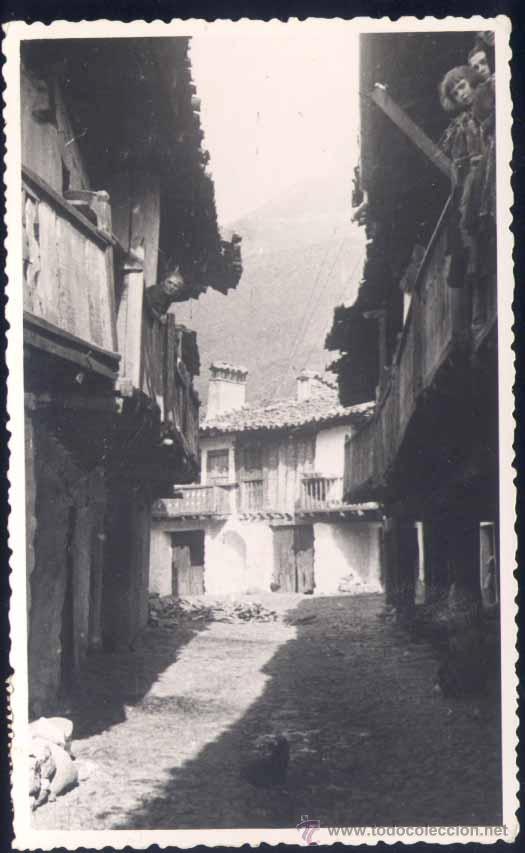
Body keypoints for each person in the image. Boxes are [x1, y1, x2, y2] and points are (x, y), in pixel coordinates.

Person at [438, 66, 484, 288]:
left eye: (462, 86)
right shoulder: (462, 121)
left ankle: (473, 260)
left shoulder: (485, 105)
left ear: (471, 81)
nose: (461, 94)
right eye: (455, 93)